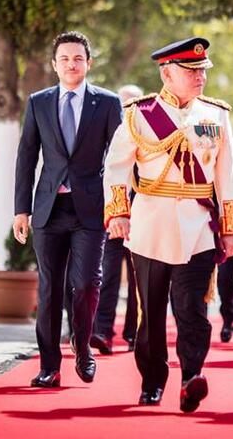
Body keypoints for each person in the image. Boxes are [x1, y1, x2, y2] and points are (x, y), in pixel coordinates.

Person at [103, 37, 233, 412]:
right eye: (192, 70)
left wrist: (230, 227)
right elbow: (115, 167)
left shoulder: (215, 115)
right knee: (150, 312)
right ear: (167, 73)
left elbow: (227, 174)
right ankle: (152, 381)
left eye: (203, 70)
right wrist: (118, 212)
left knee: (192, 309)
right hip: (150, 227)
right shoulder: (139, 114)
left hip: (199, 228)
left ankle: (190, 378)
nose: (200, 76)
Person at [13, 31, 122, 388]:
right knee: (49, 290)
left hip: (91, 210)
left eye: (78, 58)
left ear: (89, 63)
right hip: (48, 209)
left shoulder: (106, 103)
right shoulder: (39, 102)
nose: (71, 64)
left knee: (87, 284)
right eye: (65, 59)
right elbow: (26, 156)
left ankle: (83, 343)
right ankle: (49, 365)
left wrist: (122, 207)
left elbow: (120, 159)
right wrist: (20, 210)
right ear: (54, 65)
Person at [91, 84, 143, 354]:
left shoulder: (150, 135)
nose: (128, 110)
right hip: (112, 216)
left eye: (133, 104)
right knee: (108, 275)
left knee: (138, 279)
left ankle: (134, 332)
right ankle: (102, 331)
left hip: (144, 218)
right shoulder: (106, 137)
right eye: (124, 105)